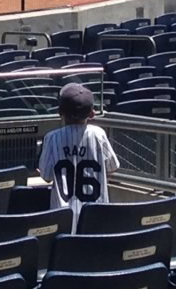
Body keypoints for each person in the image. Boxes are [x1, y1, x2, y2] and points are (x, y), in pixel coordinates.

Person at [38, 81, 119, 225]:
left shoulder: (52, 138)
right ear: (92, 113)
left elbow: (46, 176)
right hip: (96, 216)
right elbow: (112, 168)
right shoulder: (98, 135)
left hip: (62, 217)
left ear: (59, 112)